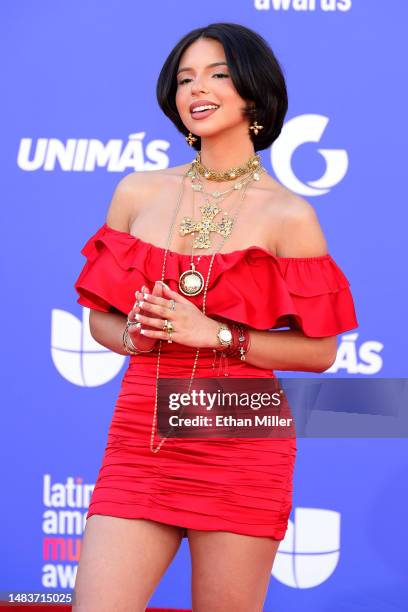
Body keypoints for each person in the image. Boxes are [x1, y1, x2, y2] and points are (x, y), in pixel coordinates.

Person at [72, 22, 358, 612]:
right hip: (143, 432)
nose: (197, 88)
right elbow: (99, 321)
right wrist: (135, 335)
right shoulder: (138, 192)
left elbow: (320, 350)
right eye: (185, 78)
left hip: (241, 433)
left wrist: (218, 334)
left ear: (253, 91)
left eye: (218, 73)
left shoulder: (288, 214)